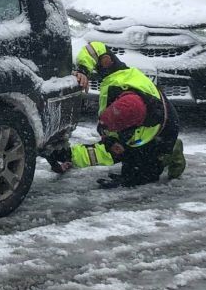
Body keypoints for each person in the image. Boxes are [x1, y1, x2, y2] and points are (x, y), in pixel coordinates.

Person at [46, 41, 185, 188]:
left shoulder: (136, 135)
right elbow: (95, 48)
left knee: (138, 176)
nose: (102, 126)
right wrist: (83, 70)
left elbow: (103, 153)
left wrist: (67, 155)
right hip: (152, 109)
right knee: (126, 156)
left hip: (161, 136)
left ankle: (169, 153)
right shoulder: (119, 75)